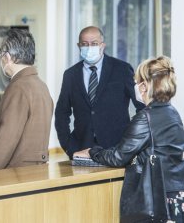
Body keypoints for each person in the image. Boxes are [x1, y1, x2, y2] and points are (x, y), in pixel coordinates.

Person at [74, 56, 184, 222]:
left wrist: (92, 151)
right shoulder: (173, 113)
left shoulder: (145, 118)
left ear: (144, 86)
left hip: (153, 199)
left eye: (136, 81)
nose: (134, 85)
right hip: (174, 195)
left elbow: (118, 157)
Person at [55, 26, 145, 159]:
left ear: (103, 45)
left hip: (117, 149)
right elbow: (62, 113)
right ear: (79, 46)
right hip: (82, 148)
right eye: (85, 44)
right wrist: (69, 147)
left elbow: (142, 106)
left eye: (94, 43)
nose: (89, 47)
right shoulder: (71, 75)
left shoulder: (122, 69)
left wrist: (131, 141)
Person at [0, 28, 54, 171]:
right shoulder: (41, 85)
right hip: (37, 172)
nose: (1, 60)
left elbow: (6, 141)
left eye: (0, 54)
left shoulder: (18, 88)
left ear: (8, 57)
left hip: (15, 174)